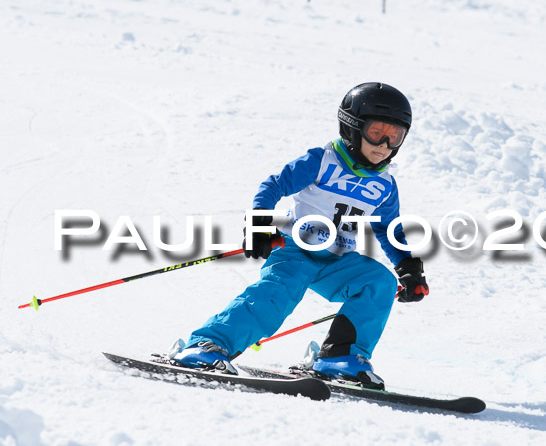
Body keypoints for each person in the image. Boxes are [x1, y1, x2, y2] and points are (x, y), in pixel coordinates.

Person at [170, 82, 429, 389]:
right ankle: (207, 345)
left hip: (338, 261)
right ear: (353, 127)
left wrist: (410, 269)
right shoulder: (322, 160)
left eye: (395, 135)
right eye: (377, 132)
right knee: (277, 294)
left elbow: (388, 229)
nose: (385, 144)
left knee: (378, 282)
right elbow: (273, 186)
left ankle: (339, 357)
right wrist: (259, 224)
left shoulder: (385, 184)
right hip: (296, 251)